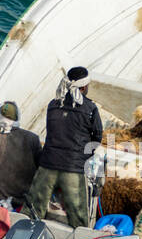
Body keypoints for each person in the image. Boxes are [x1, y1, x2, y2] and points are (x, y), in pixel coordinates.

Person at [27, 66, 104, 229]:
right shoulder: (90, 109)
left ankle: (26, 233)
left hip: (48, 164)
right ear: (83, 87)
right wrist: (84, 156)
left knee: (32, 210)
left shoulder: (53, 104)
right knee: (78, 219)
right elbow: (97, 137)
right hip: (73, 169)